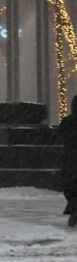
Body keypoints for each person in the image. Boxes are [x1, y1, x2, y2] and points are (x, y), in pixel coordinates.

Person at [54, 96, 77, 226]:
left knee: (70, 187)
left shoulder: (67, 121)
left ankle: (74, 209)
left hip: (70, 159)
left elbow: (61, 137)